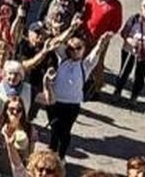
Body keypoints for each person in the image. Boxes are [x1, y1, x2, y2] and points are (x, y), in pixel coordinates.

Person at [34, 27, 115, 159]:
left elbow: (96, 52)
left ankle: (61, 156)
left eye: (78, 48)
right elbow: (57, 43)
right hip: (55, 102)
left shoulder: (85, 65)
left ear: (83, 49)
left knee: (65, 132)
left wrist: (102, 41)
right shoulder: (63, 60)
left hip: (72, 105)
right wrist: (71, 28)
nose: (75, 51)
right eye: (71, 48)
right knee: (54, 130)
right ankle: (52, 153)